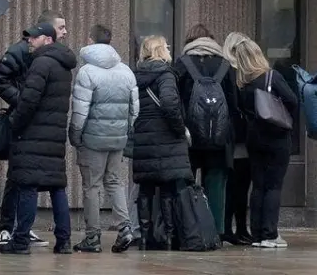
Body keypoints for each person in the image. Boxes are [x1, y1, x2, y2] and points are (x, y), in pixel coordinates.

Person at [0, 9, 66, 248]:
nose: (65, 32)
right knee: (19, 178)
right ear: (47, 32)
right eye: (61, 27)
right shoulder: (21, 51)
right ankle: (8, 228)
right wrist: (20, 101)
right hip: (25, 122)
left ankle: (20, 230)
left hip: (37, 124)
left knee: (26, 180)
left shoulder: (53, 59)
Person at [4, 21, 78, 255]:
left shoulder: (41, 64)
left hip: (33, 136)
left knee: (27, 186)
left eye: (34, 38)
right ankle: (64, 241)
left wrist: (15, 125)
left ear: (47, 40)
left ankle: (21, 241)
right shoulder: (63, 66)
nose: (29, 41)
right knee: (57, 188)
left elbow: (28, 101)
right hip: (54, 137)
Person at [70, 24, 138, 253]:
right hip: (117, 139)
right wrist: (126, 131)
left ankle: (92, 238)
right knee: (114, 181)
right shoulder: (125, 70)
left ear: (90, 40)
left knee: (92, 186)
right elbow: (134, 109)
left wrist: (75, 135)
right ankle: (125, 228)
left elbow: (80, 112)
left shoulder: (87, 71)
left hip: (92, 139)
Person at [234, 35, 299, 248]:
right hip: (276, 136)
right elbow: (292, 100)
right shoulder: (272, 76)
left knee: (259, 186)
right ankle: (270, 234)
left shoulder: (243, 83)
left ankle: (257, 234)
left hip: (254, 138)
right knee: (274, 186)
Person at [175, 24, 240, 233]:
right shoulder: (225, 65)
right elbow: (233, 103)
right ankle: (215, 232)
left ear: (189, 42)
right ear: (212, 41)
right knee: (216, 185)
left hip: (189, 136)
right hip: (219, 137)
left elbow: (175, 100)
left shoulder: (182, 64)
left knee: (185, 185)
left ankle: (187, 230)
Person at [131, 35, 192, 250]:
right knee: (167, 189)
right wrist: (179, 128)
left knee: (145, 189)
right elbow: (169, 104)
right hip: (166, 138)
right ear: (160, 50)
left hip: (143, 138)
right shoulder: (166, 74)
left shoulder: (136, 75)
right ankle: (168, 236)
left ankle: (145, 237)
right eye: (166, 46)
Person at [219, 31, 254, 247]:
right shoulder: (234, 74)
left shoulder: (226, 71)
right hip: (238, 139)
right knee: (239, 186)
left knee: (235, 186)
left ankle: (234, 228)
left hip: (232, 138)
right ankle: (236, 229)